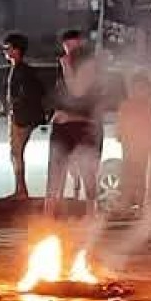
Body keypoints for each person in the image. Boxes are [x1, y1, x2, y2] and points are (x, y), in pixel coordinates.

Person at [45, 30, 101, 216]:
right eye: (67, 47)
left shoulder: (89, 66)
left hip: (83, 125)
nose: (70, 51)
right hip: (62, 125)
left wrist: (67, 68)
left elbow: (77, 92)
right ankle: (50, 215)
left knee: (87, 170)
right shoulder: (63, 65)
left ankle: (91, 214)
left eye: (74, 46)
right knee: (56, 168)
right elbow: (60, 93)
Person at [2, 33, 47, 199]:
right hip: (18, 116)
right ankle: (20, 189)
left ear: (16, 50)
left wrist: (18, 107)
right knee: (15, 153)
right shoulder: (17, 69)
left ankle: (21, 190)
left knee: (16, 152)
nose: (5, 51)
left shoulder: (23, 71)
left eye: (8, 48)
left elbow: (34, 93)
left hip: (22, 118)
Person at [116, 71, 151, 212]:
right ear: (133, 89)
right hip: (130, 148)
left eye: (144, 88)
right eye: (138, 88)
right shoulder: (126, 106)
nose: (142, 91)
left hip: (144, 148)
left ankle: (141, 205)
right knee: (128, 176)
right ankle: (126, 205)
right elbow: (120, 128)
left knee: (142, 177)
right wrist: (122, 137)